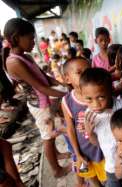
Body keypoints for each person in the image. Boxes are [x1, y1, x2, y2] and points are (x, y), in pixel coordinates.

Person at [3, 18, 70, 178]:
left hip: (44, 100)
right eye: (31, 38)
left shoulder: (26, 56)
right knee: (48, 137)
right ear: (17, 37)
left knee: (51, 133)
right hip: (40, 104)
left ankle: (57, 154)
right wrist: (67, 93)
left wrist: (61, 83)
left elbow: (44, 77)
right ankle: (56, 170)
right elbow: (40, 87)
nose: (34, 41)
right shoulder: (14, 62)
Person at [79, 68, 122, 187]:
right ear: (82, 95)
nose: (96, 104)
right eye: (89, 99)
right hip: (112, 166)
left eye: (101, 97)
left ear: (110, 91)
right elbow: (97, 143)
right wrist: (90, 133)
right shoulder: (89, 115)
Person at [61, 57, 106, 187]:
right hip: (82, 151)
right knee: (89, 175)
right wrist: (77, 153)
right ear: (67, 78)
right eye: (79, 72)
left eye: (88, 70)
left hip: (102, 148)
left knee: (108, 175)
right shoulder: (67, 101)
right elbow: (70, 129)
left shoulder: (99, 95)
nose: (85, 75)